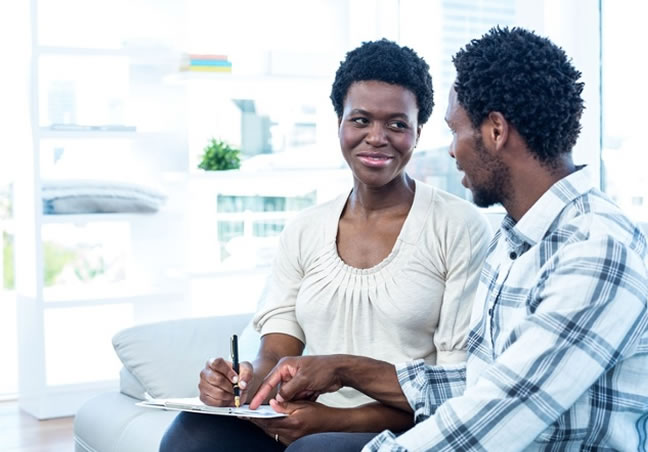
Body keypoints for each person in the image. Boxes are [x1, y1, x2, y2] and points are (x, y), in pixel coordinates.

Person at [250, 27, 648, 451]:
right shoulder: (517, 241)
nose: (452, 152)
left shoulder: (595, 251)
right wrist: (344, 369)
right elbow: (479, 383)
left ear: (495, 131)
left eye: (455, 131)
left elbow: (499, 413)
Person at [159, 39, 490, 451]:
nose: (377, 138)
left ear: (419, 132)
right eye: (361, 120)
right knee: (191, 435)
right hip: (304, 418)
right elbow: (277, 349)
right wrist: (240, 385)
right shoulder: (305, 228)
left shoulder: (458, 227)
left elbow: (456, 385)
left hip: (405, 426)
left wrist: (337, 420)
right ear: (339, 123)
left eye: (397, 124)